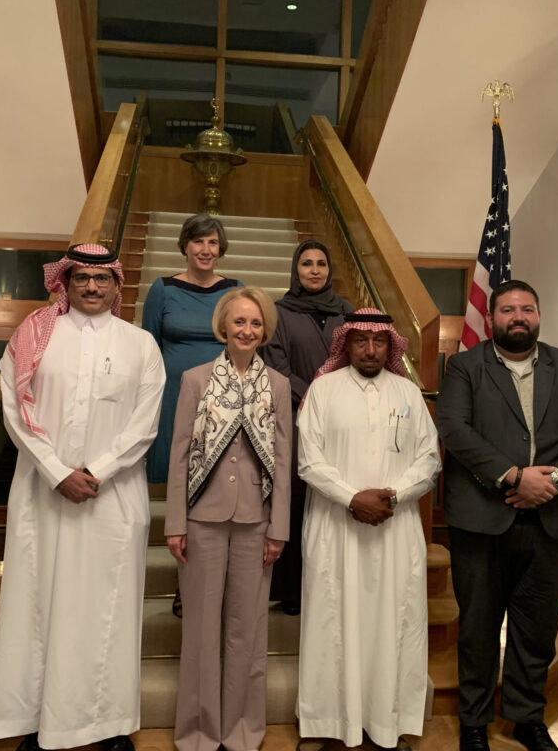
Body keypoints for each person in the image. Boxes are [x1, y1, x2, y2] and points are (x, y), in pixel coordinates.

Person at [0, 244, 165, 751]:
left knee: (107, 612)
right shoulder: (33, 338)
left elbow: (144, 424)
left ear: (117, 284)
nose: (91, 287)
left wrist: (96, 471)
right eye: (82, 278)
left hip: (112, 500)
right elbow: (16, 415)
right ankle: (36, 721)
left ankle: (106, 725)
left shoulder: (140, 344)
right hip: (43, 496)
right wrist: (56, 471)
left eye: (101, 279)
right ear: (63, 283)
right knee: (37, 607)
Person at [435, 280, 558, 751]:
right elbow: (454, 428)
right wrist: (514, 476)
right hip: (482, 518)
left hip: (554, 519)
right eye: (508, 309)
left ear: (539, 315)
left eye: (527, 309)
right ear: (491, 318)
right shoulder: (465, 368)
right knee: (477, 625)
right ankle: (473, 722)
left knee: (537, 627)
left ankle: (525, 716)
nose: (518, 316)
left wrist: (552, 481)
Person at [296, 309, 441, 750]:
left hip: (394, 530)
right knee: (332, 620)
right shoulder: (323, 389)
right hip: (335, 527)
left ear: (391, 346)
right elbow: (308, 458)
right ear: (347, 344)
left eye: (379, 342)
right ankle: (330, 724)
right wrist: (352, 497)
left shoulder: (407, 392)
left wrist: (393, 496)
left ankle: (385, 722)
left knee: (391, 623)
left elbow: (429, 459)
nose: (371, 350)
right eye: (361, 341)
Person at [165, 286, 291, 751]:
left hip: (257, 522)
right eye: (239, 322)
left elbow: (282, 456)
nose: (247, 330)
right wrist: (175, 522)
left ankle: (241, 731)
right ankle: (198, 732)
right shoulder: (196, 379)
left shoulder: (276, 385)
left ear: (265, 330)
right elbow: (179, 453)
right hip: (202, 519)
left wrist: (279, 527)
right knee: (200, 631)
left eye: (256, 323)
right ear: (223, 326)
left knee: (247, 631)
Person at [261, 239, 354, 615]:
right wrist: (318, 396)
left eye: (321, 263)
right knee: (297, 500)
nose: (314, 270)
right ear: (295, 271)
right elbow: (276, 368)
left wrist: (337, 398)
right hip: (297, 417)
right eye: (306, 264)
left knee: (338, 495)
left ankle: (334, 584)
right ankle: (295, 591)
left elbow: (356, 356)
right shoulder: (279, 312)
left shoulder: (346, 311)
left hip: (343, 417)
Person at [142, 213, 242, 487]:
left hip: (222, 392)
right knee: (175, 471)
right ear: (185, 245)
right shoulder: (162, 289)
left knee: (217, 474)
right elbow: (150, 348)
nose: (206, 250)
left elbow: (245, 344)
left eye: (213, 242)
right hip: (173, 393)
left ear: (221, 248)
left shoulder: (234, 291)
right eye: (198, 241)